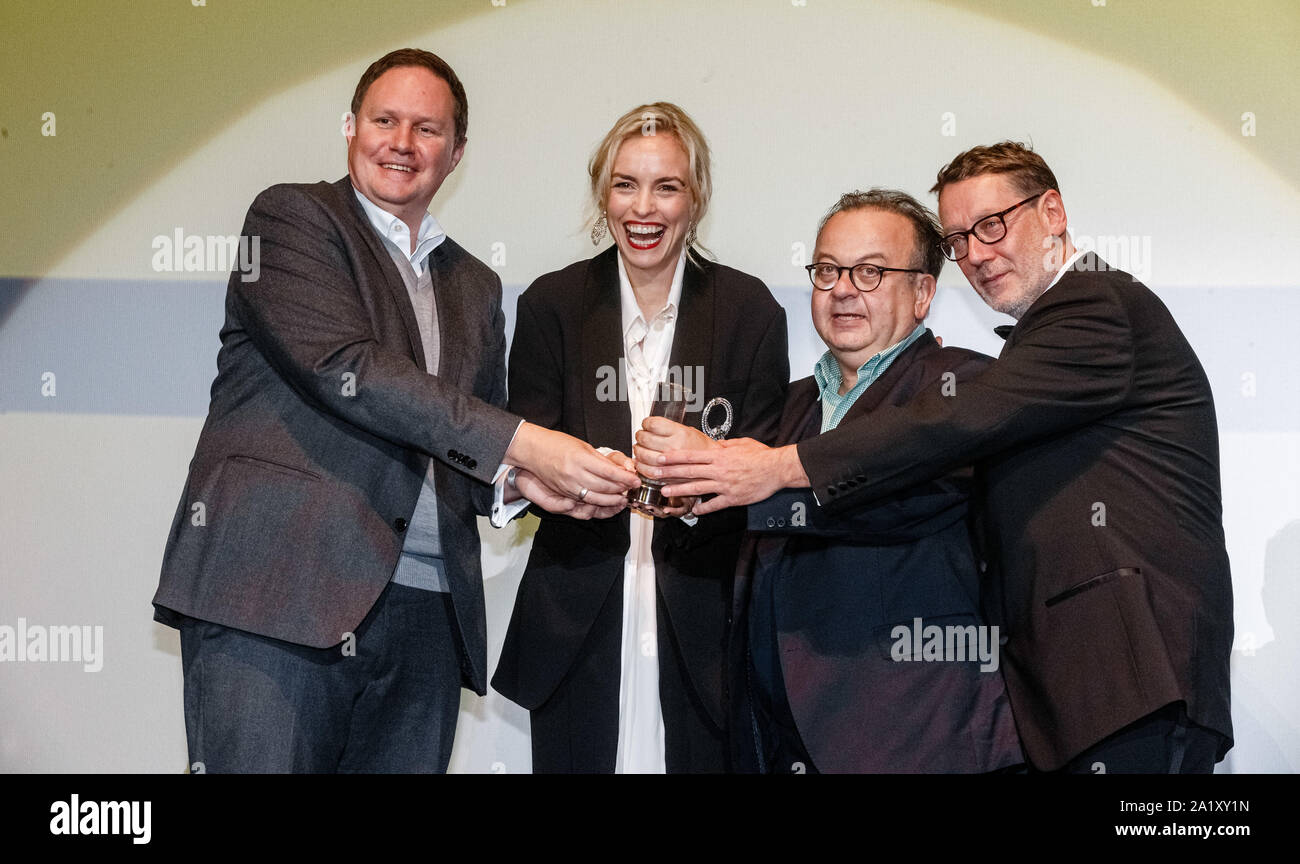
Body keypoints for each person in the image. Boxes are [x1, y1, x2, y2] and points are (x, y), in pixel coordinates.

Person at [642, 142, 1233, 773]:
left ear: (1053, 212)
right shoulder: (1028, 354)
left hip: (1123, 677)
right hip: (1081, 691)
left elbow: (949, 428)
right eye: (959, 239)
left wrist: (777, 468)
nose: (976, 254)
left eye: (991, 225)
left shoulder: (1095, 307)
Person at [152, 48, 637, 773]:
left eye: (428, 129)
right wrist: (529, 442)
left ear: (457, 152)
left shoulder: (475, 284)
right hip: (278, 596)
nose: (402, 143)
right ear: (350, 127)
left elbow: (460, 436)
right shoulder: (291, 217)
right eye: (385, 120)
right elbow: (348, 369)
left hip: (425, 618)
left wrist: (520, 483)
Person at [491, 102, 789, 773]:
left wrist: (699, 483)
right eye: (625, 184)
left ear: (697, 197)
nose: (642, 208)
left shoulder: (750, 313)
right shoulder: (552, 305)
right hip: (577, 621)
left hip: (705, 626)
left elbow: (765, 471)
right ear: (602, 193)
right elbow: (523, 454)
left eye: (667, 186)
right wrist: (564, 481)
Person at [706, 189, 1022, 773]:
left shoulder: (963, 384)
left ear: (924, 292)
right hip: (781, 740)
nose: (843, 288)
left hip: (919, 735)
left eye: (871, 271)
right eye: (827, 269)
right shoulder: (787, 406)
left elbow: (904, 501)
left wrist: (759, 489)